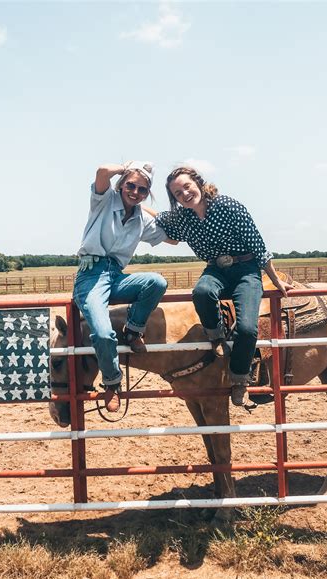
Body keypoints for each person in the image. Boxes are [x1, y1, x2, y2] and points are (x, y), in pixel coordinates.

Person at [155, 166, 294, 406]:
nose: (185, 194)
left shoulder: (229, 206)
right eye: (178, 193)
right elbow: (156, 219)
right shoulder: (182, 217)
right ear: (174, 199)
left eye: (187, 187)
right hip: (216, 269)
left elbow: (258, 246)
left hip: (246, 269)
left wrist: (274, 278)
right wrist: (134, 209)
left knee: (248, 328)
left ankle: (240, 378)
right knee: (202, 291)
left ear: (198, 183)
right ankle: (217, 337)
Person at [74, 161, 168, 413]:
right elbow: (102, 172)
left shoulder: (141, 220)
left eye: (142, 190)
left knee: (156, 282)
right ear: (122, 183)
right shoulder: (104, 201)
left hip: (115, 275)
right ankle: (112, 383)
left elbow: (172, 237)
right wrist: (126, 166)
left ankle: (133, 331)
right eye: (131, 185)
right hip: (90, 276)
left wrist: (150, 211)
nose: (135, 192)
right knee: (103, 334)